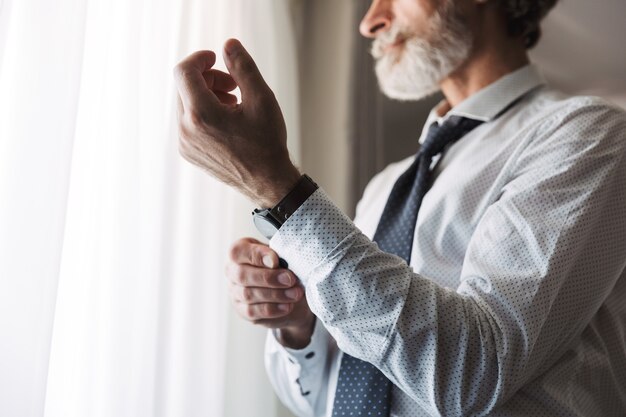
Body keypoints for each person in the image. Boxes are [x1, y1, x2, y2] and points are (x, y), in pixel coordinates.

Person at [173, 0, 626, 415]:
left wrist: (276, 187)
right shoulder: (385, 186)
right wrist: (300, 324)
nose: (371, 22)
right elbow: (332, 398)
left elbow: (472, 376)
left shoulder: (587, 135)